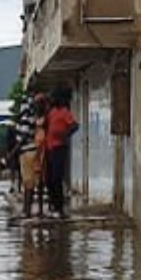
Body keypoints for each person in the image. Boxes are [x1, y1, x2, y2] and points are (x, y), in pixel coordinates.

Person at [44, 89, 79, 218]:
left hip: (59, 147)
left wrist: (65, 135)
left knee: (57, 178)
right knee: (49, 179)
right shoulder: (51, 113)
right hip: (50, 148)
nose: (52, 101)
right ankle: (53, 205)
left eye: (53, 98)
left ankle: (59, 208)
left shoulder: (65, 112)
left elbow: (74, 125)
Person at [19, 94, 49, 218]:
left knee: (31, 182)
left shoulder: (32, 118)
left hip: (34, 151)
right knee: (32, 182)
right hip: (36, 151)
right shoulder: (39, 118)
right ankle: (30, 210)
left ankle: (28, 210)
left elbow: (24, 136)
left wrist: (11, 153)